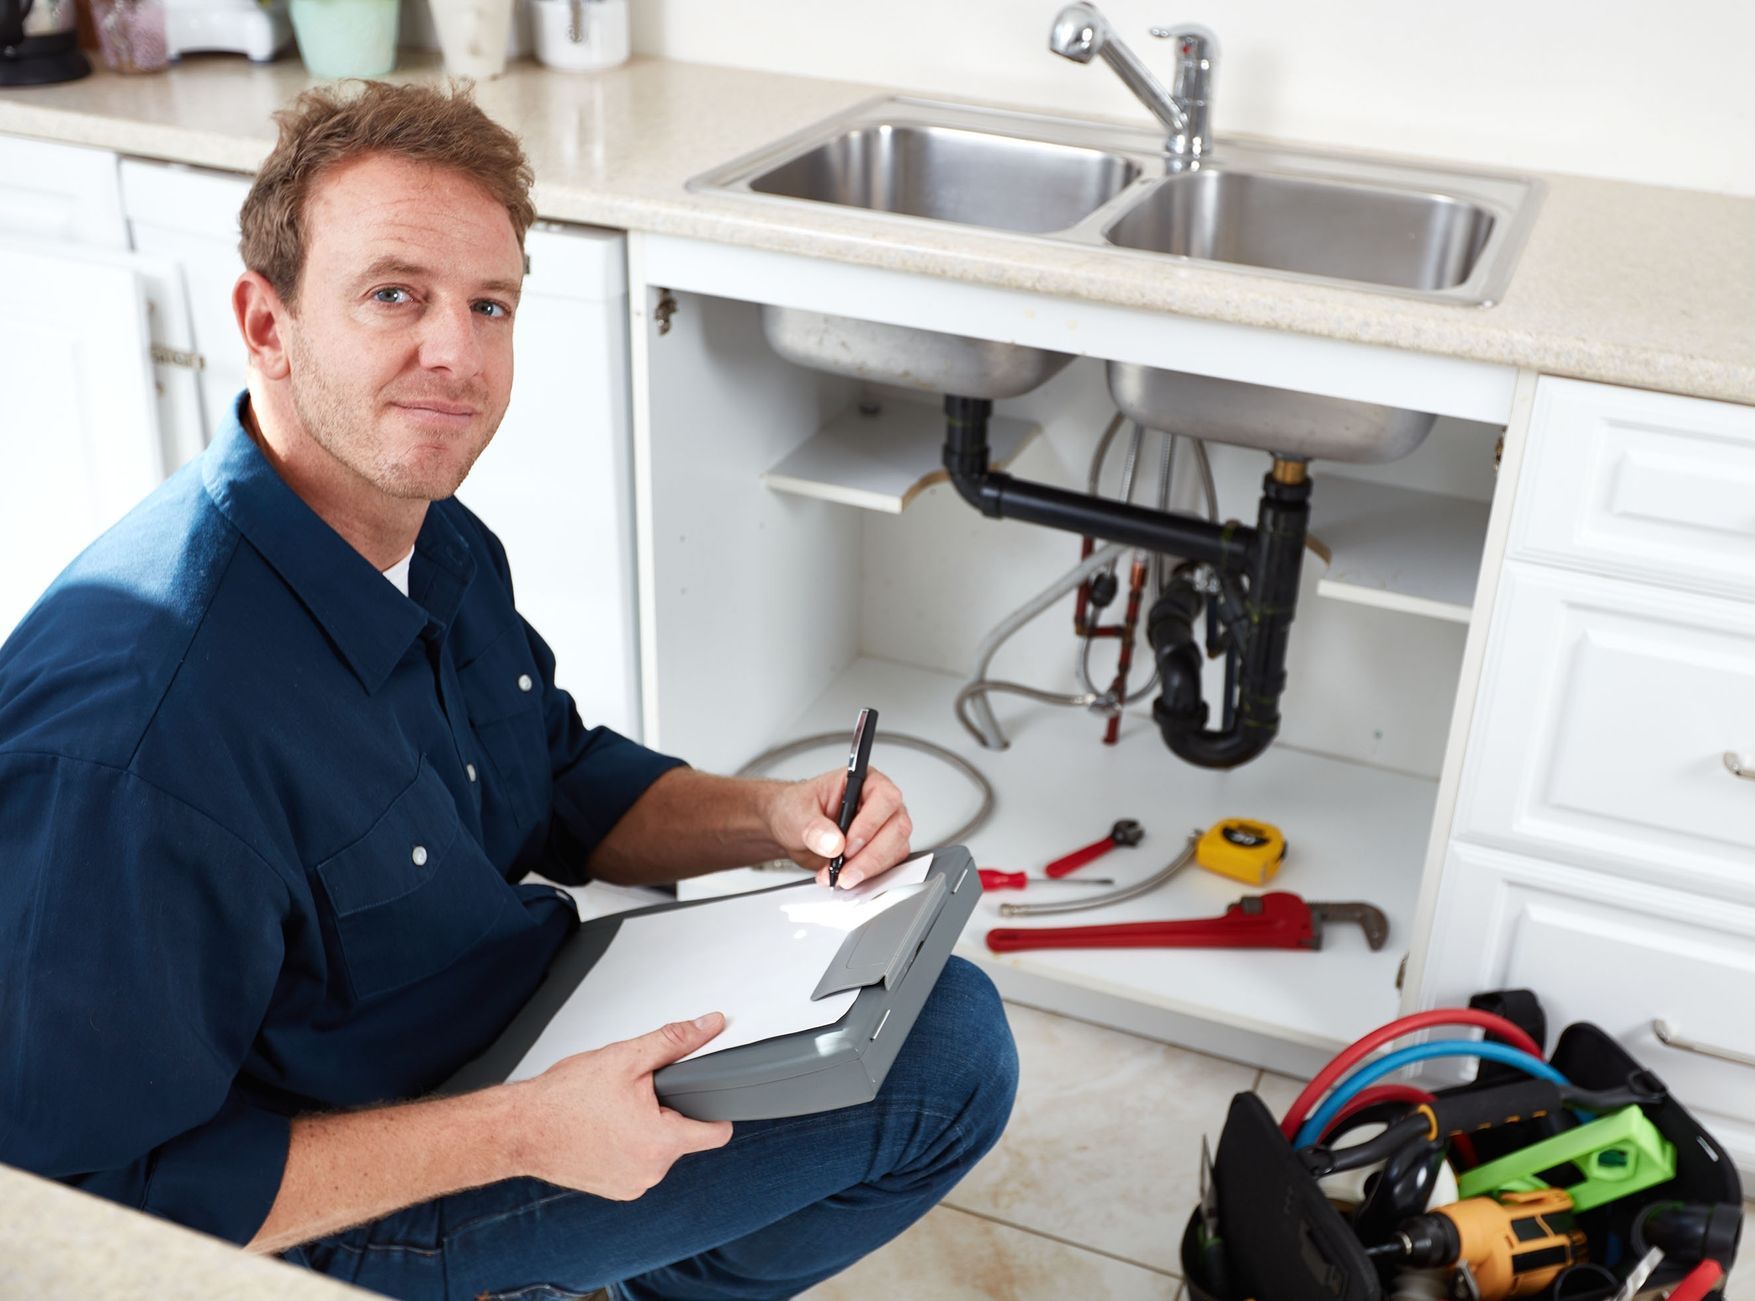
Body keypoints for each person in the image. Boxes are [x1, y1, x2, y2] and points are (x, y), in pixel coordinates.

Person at [0, 79, 1018, 1299]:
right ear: (266, 326)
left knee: (917, 1003)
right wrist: (525, 1133)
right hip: (349, 1188)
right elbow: (81, 1206)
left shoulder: (429, 536)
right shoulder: (139, 734)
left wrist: (772, 814)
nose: (457, 355)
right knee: (952, 1059)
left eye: (490, 305)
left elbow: (557, 780)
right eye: (395, 296)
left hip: (515, 1024)